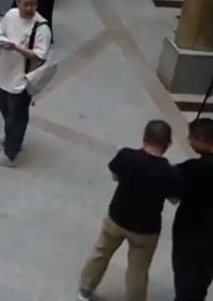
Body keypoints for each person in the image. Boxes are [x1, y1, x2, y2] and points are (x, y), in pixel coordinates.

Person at [77, 120, 180, 301]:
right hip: (146, 229)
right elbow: (174, 199)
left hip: (117, 218)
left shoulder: (126, 156)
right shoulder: (170, 173)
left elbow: (115, 176)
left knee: (101, 252)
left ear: (144, 137)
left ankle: (85, 289)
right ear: (167, 144)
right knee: (138, 270)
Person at [0, 0, 51, 168]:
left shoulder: (41, 28)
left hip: (22, 79)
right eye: (26, 4)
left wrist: (17, 48)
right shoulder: (11, 15)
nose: (30, 8)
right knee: (4, 107)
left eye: (34, 5)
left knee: (17, 116)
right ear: (18, 2)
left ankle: (10, 153)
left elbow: (40, 56)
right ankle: (9, 134)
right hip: (5, 72)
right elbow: (0, 31)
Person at [172, 118, 213, 301]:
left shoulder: (193, 169)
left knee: (186, 280)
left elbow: (169, 181)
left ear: (202, 140)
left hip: (191, 234)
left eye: (191, 137)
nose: (188, 140)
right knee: (202, 281)